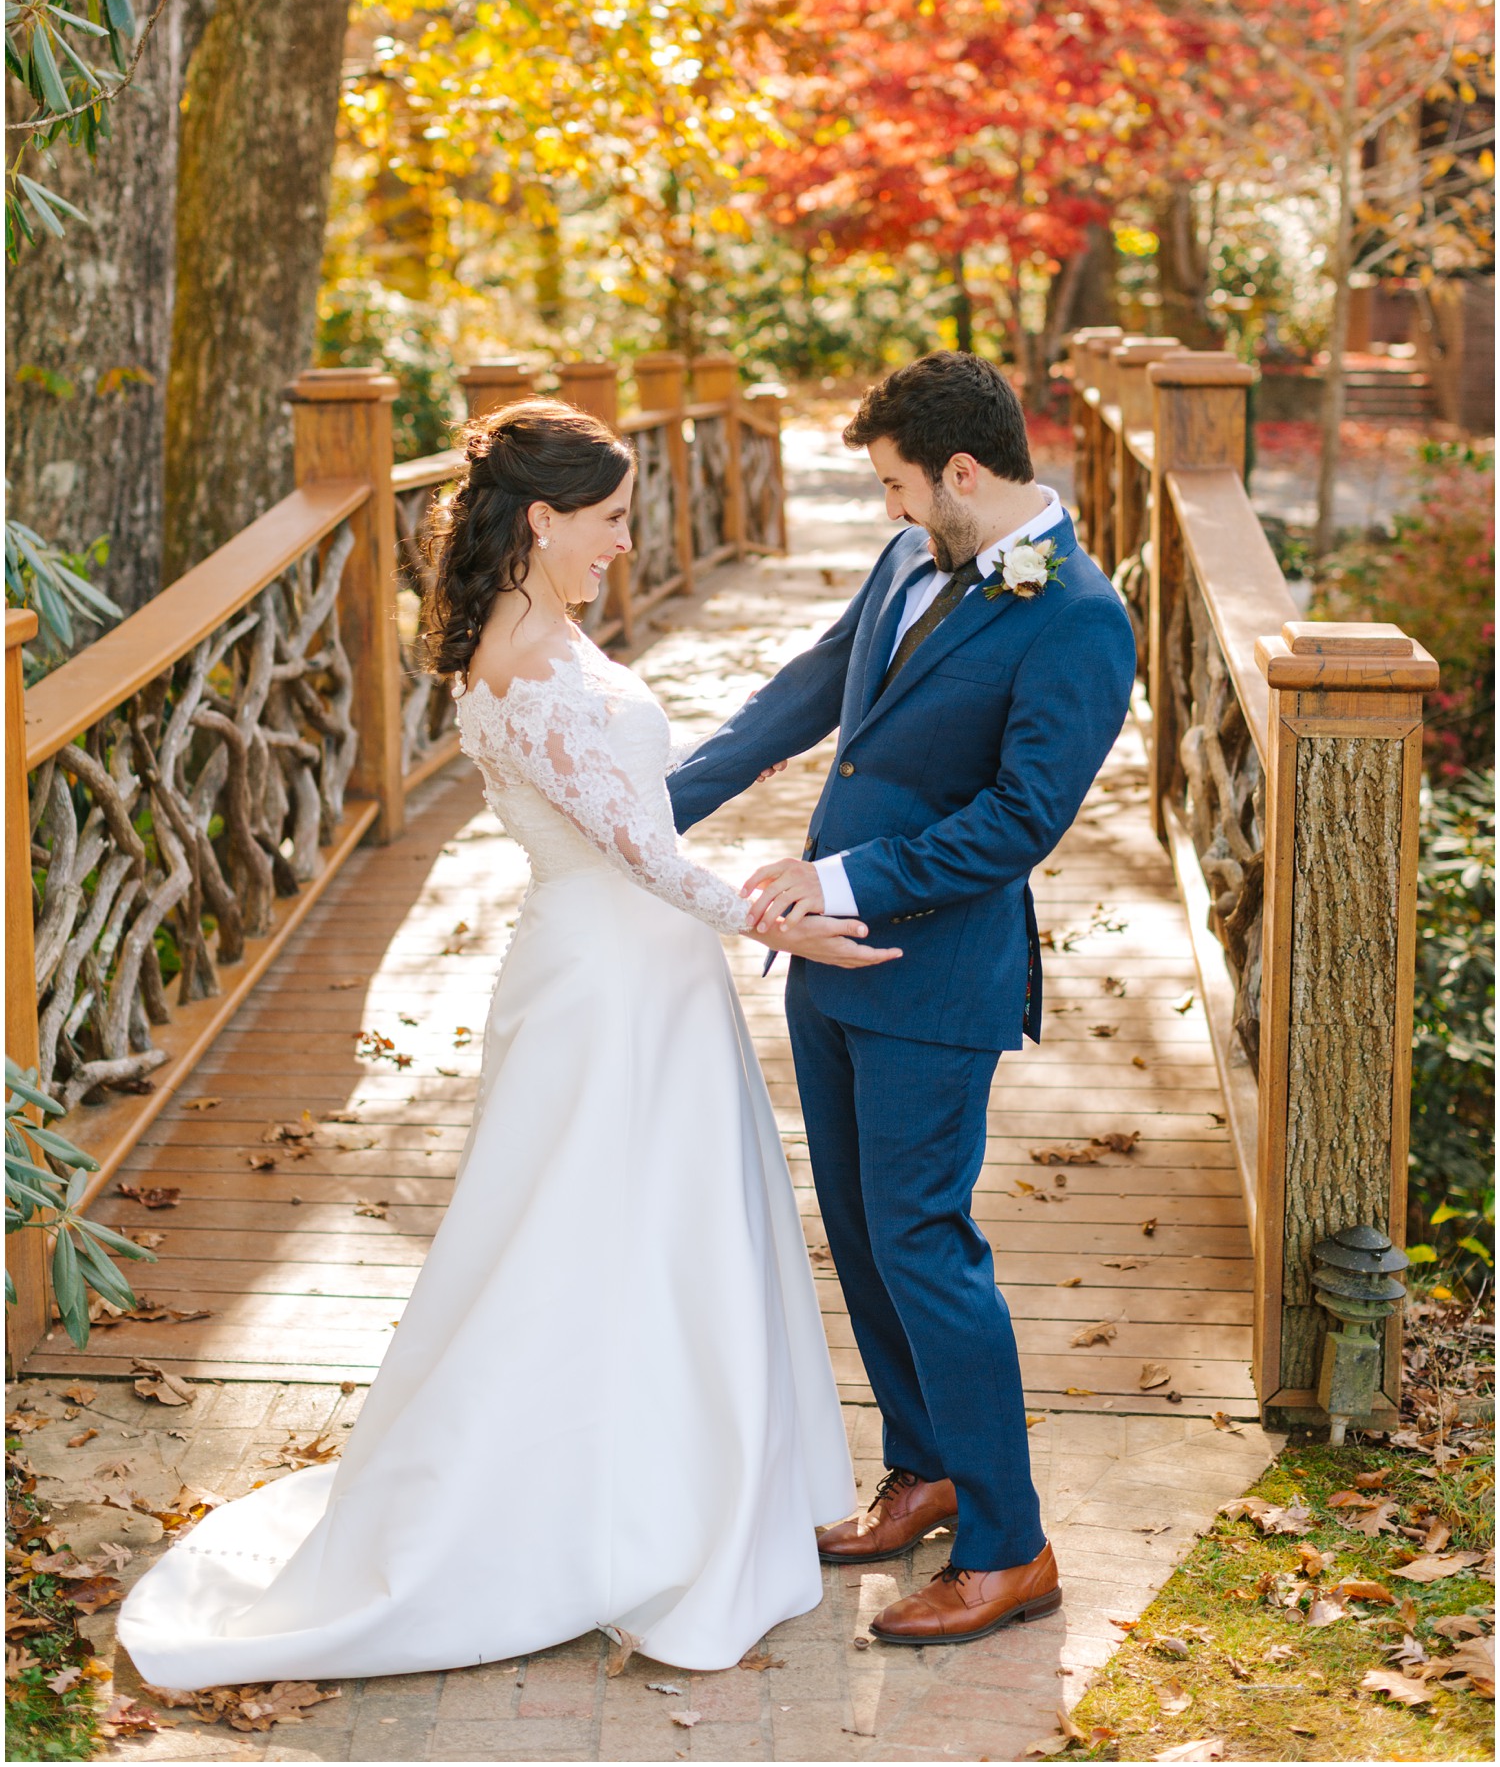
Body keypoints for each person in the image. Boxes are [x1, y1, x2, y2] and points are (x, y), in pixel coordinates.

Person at [116, 400, 894, 1686]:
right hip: (606, 981)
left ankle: (676, 1482)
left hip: (643, 967)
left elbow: (625, 803)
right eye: (609, 520)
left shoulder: (537, 633)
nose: (627, 542)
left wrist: (710, 798)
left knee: (665, 1230)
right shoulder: (525, 664)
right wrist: (776, 922)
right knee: (589, 1233)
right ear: (542, 517)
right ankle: (593, 1518)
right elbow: (638, 851)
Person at [668, 352, 1136, 1646]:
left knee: (927, 1241)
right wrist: (651, 811)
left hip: (932, 976)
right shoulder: (905, 558)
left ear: (963, 474)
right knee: (867, 1236)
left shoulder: (1081, 617)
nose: (884, 508)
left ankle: (1008, 1542)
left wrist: (841, 875)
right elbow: (814, 693)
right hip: (824, 964)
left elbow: (1017, 823)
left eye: (892, 485)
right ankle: (923, 1468)